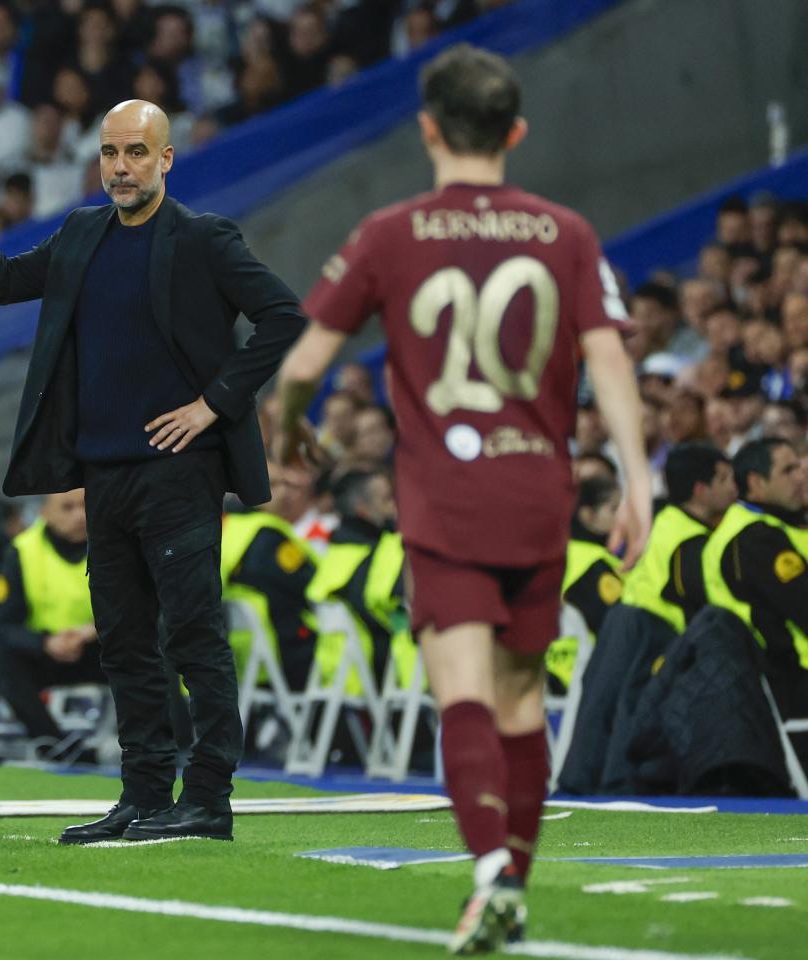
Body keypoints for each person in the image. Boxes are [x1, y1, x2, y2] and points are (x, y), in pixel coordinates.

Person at [274, 46, 650, 953]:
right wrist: (641, 481)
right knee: (523, 701)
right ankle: (510, 882)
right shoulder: (566, 233)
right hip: (537, 489)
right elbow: (609, 360)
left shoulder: (389, 233)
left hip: (444, 493)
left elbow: (303, 366)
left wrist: (287, 425)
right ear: (515, 131)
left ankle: (490, 873)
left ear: (429, 128)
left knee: (463, 695)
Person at [0, 98, 308, 844]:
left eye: (135, 153)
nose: (120, 167)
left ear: (166, 159)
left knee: (191, 635)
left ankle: (209, 798)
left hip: (181, 471)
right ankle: (146, 794)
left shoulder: (203, 239)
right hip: (103, 476)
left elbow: (286, 316)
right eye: (110, 153)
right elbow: (1, 282)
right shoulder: (83, 231)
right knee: (123, 641)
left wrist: (212, 404)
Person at [0, 489, 105, 763]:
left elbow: (138, 605)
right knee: (1, 664)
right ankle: (56, 746)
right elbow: (2, 626)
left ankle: (167, 744)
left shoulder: (115, 544)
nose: (79, 515)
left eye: (86, 506)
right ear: (45, 512)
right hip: (46, 652)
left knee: (150, 655)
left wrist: (91, 632)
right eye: (67, 507)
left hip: (100, 646)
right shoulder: (22, 551)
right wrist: (46, 643)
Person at [702, 439, 808, 716]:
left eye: (799, 467)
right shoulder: (754, 539)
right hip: (793, 682)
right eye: (788, 471)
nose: (801, 476)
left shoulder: (780, 524)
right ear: (756, 483)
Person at [620, 443, 736, 633]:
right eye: (723, 480)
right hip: (657, 638)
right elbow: (701, 606)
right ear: (700, 490)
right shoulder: (689, 541)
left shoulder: (666, 520)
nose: (733, 488)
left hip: (637, 629)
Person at [306, 469, 406, 690]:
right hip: (387, 677)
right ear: (362, 508)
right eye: (388, 498)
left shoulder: (332, 554)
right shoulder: (382, 554)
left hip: (338, 677)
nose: (396, 506)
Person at [220, 502, 318, 692]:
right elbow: (308, 583)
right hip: (284, 654)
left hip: (237, 657)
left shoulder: (219, 533)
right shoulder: (263, 533)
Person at [549, 475, 624, 693]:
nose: (622, 516)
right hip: (585, 677)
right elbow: (614, 629)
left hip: (553, 670)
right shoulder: (596, 566)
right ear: (587, 515)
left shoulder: (561, 553)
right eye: (614, 509)